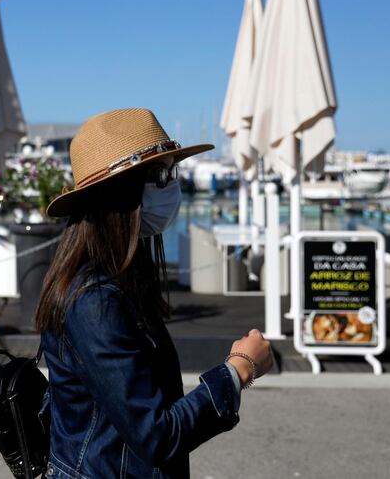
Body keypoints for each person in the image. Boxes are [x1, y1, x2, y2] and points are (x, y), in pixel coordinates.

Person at [36, 108, 274, 478]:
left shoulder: (120, 277)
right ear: (123, 191)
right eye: (162, 174)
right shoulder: (92, 301)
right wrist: (239, 368)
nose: (173, 186)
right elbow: (156, 434)